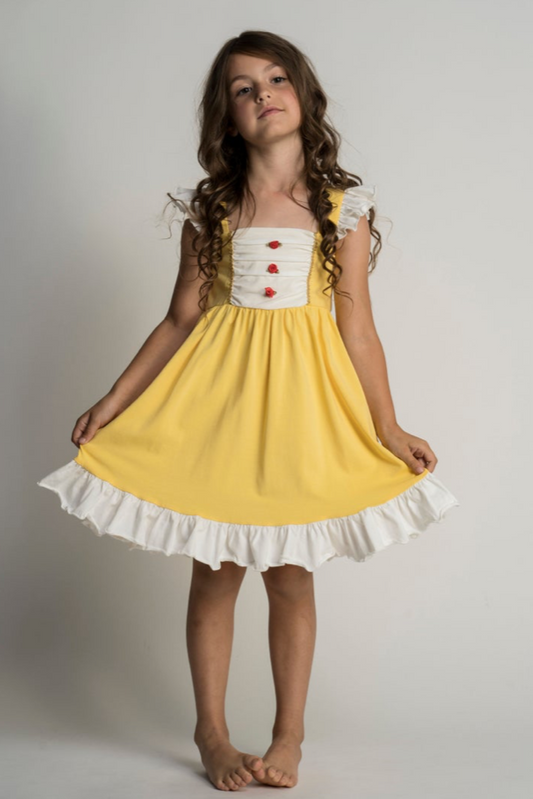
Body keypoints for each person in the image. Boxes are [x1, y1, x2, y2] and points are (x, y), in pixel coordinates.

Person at [37, 30, 459, 792]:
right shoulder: (215, 206)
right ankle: (212, 733)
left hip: (301, 407)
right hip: (221, 402)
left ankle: (288, 735)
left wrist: (388, 426)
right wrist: (113, 400)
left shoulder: (341, 208)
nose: (261, 93)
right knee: (216, 567)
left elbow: (355, 326)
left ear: (302, 94)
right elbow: (179, 319)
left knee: (292, 573)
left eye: (274, 78)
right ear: (226, 117)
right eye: (241, 87)